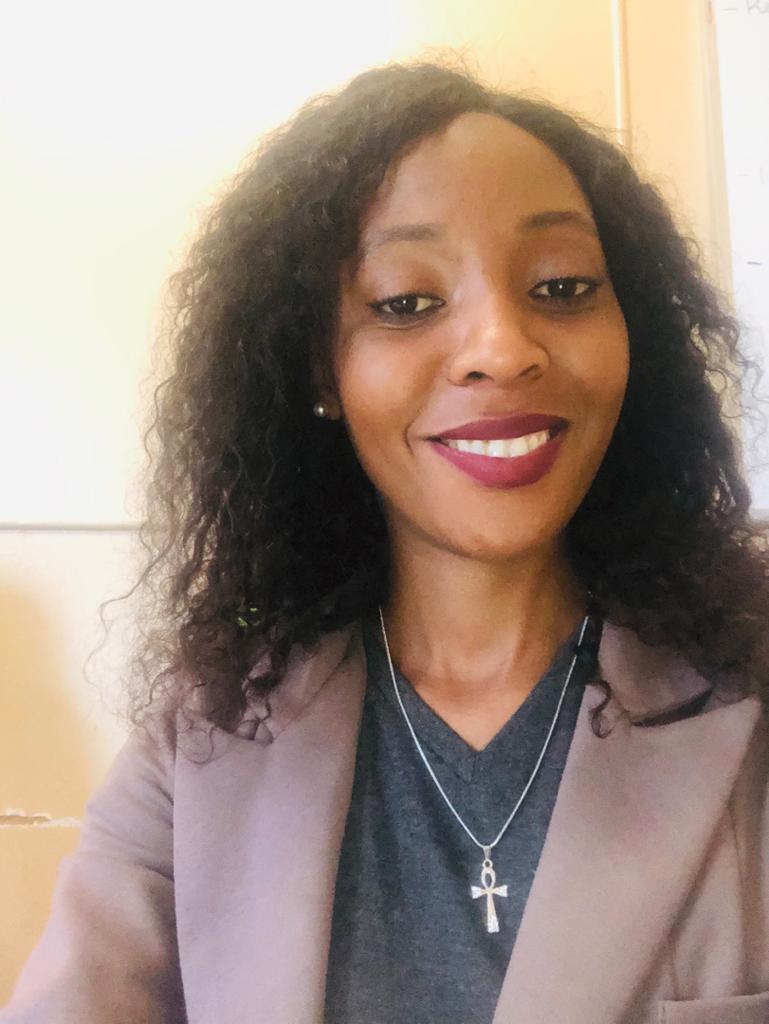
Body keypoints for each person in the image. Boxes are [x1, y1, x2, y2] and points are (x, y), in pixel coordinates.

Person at [3, 59, 769, 1024]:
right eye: (406, 302)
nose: (502, 347)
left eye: (562, 285)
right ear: (319, 372)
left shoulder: (748, 696)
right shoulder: (203, 744)